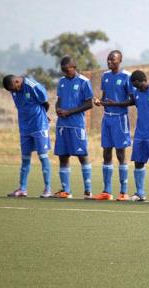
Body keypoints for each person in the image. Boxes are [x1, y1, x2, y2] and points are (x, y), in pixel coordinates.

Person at [102, 70, 149, 202]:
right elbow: (130, 102)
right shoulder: (137, 92)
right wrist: (113, 103)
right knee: (138, 162)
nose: (134, 87)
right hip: (140, 133)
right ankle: (140, 193)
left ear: (141, 81)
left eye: (135, 84)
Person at [92, 50, 132, 201]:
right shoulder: (105, 76)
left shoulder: (126, 76)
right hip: (107, 118)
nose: (109, 62)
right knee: (106, 152)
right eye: (108, 59)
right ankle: (106, 191)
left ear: (120, 60)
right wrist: (99, 102)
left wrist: (114, 104)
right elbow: (104, 98)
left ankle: (123, 191)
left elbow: (132, 100)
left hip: (120, 119)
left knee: (120, 154)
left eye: (113, 60)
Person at [3, 75, 52, 198]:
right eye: (11, 90)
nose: (14, 92)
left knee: (43, 156)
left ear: (17, 81)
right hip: (25, 127)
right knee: (25, 158)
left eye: (14, 88)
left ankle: (48, 189)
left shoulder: (32, 86)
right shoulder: (13, 90)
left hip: (39, 125)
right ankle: (22, 189)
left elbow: (46, 103)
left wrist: (43, 117)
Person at [53, 56, 93, 199]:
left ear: (73, 66)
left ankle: (88, 191)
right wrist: (57, 108)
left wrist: (69, 112)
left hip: (76, 125)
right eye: (62, 70)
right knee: (63, 157)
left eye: (66, 69)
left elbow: (89, 104)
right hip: (62, 125)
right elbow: (59, 101)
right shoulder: (62, 82)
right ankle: (66, 190)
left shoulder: (84, 82)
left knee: (82, 156)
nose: (65, 72)